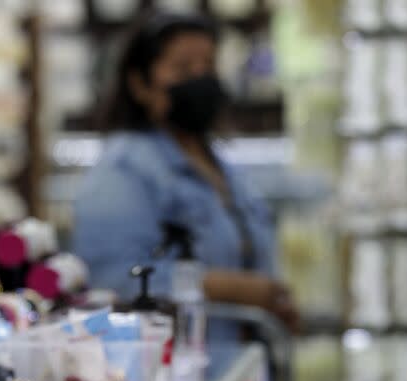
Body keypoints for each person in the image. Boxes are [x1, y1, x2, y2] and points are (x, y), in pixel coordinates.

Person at [73, 12, 298, 341]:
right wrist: (229, 289)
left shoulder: (219, 164)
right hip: (181, 374)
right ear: (140, 84)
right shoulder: (123, 170)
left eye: (208, 64)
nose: (200, 77)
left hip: (244, 370)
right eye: (182, 68)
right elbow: (111, 278)